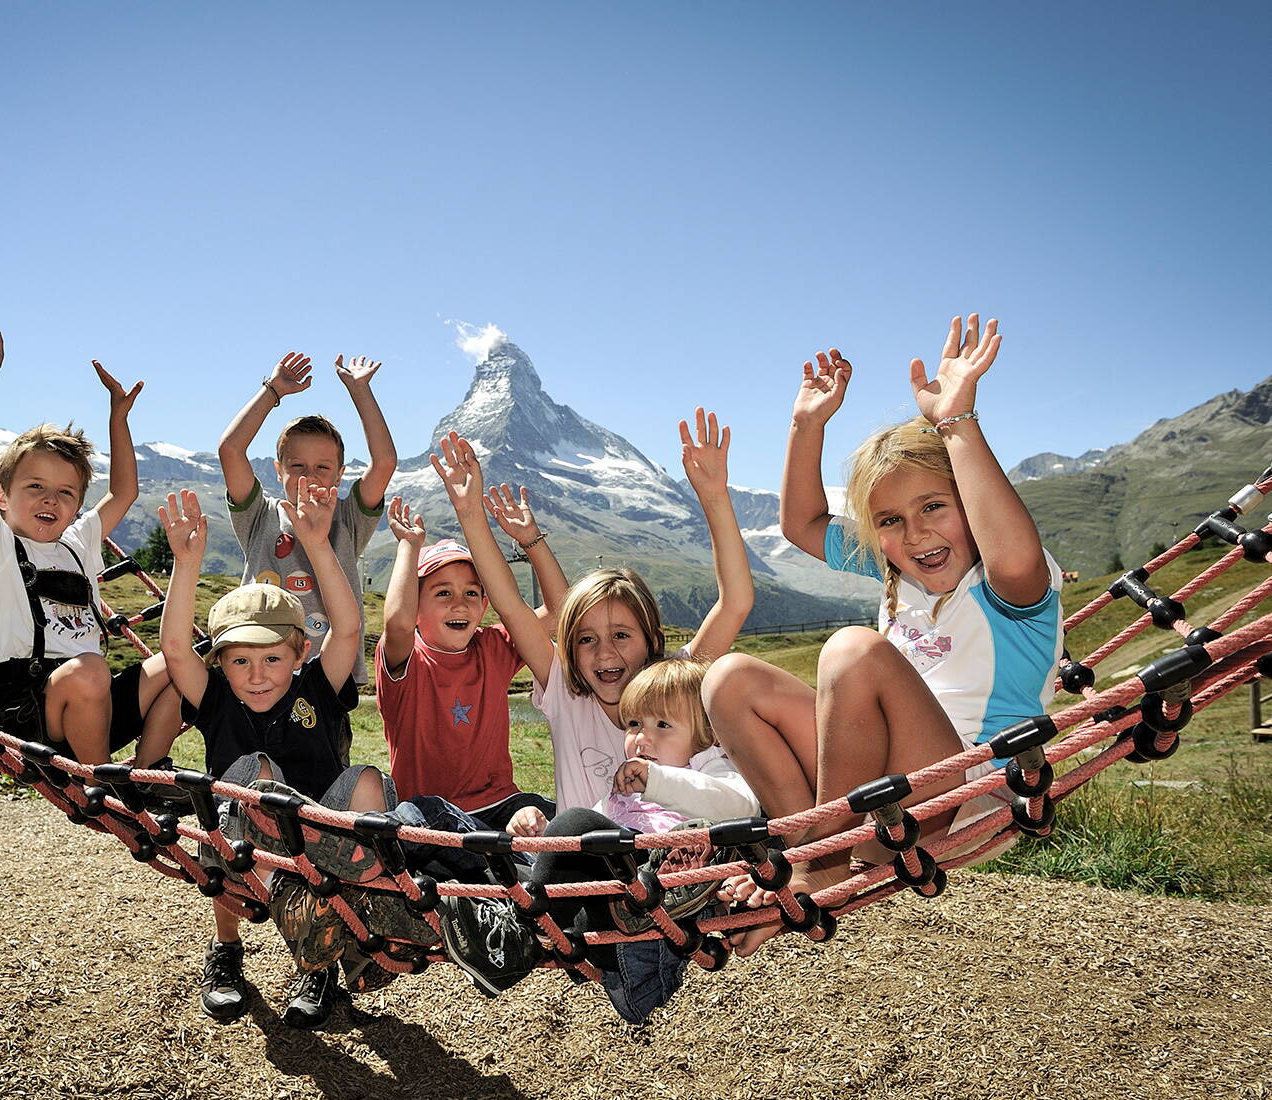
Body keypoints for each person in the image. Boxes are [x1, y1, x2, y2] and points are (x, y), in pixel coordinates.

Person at [701, 315, 1063, 957]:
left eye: (934, 507)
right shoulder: (899, 573)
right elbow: (802, 523)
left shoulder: (1010, 587)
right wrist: (806, 424)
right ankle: (807, 842)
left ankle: (825, 860)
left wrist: (956, 422)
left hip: (968, 789)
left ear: (969, 504)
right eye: (891, 521)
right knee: (728, 679)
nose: (917, 535)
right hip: (877, 792)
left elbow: (1011, 552)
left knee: (852, 649)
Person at [428, 409, 755, 821]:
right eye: (586, 639)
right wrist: (470, 513)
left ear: (652, 640)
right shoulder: (565, 689)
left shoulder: (677, 682)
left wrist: (713, 496)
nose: (604, 654)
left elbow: (736, 601)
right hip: (583, 874)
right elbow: (510, 606)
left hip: (665, 868)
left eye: (621, 635)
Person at [157, 485, 395, 1029]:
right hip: (240, 846)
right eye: (240, 660)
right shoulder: (214, 697)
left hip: (318, 847)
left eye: (272, 658)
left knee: (365, 781)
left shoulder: (318, 686)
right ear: (219, 662)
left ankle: (331, 946)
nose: (257, 675)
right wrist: (185, 562)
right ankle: (228, 954)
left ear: (300, 652)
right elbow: (173, 649)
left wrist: (317, 544)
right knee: (254, 777)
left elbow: (350, 627)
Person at [434, 657, 759, 1022]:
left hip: (646, 923)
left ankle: (511, 941)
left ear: (707, 736)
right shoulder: (624, 792)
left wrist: (659, 781)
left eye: (663, 725)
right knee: (490, 846)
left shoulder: (709, 765)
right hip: (591, 920)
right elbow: (573, 852)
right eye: (634, 723)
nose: (642, 737)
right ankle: (473, 911)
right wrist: (543, 837)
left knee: (581, 824)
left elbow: (740, 806)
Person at [0, 318, 178, 768]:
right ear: (1, 497)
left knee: (180, 665)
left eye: (66, 493)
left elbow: (124, 491)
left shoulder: (77, 544)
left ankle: (146, 772)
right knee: (90, 669)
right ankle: (101, 785)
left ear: (76, 506)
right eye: (34, 487)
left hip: (93, 703)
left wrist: (119, 418)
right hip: (24, 711)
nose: (51, 499)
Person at [375, 494, 567, 875]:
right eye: (442, 592)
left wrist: (531, 539)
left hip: (502, 806)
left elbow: (562, 609)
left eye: (472, 593)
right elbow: (395, 622)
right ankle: (515, 869)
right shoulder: (405, 659)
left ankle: (516, 866)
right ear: (416, 607)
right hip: (435, 816)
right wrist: (408, 546)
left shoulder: (493, 646)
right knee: (420, 820)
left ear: (485, 605)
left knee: (569, 822)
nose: (459, 604)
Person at [217, 352, 397, 685]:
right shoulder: (260, 515)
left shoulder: (348, 517)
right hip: (258, 668)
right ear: (277, 471)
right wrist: (272, 391)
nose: (309, 477)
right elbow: (230, 450)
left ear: (340, 475)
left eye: (323, 468)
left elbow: (384, 462)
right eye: (297, 466)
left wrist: (360, 392)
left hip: (330, 672)